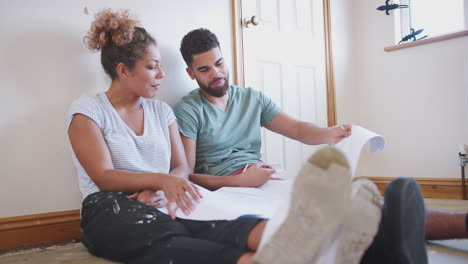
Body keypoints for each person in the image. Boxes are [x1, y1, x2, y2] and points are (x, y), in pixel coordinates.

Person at [66, 9, 393, 264]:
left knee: (214, 224)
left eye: (161, 66)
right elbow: (104, 176)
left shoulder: (161, 112)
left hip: (164, 197)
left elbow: (179, 168)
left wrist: (165, 185)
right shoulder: (89, 112)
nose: (161, 75)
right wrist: (161, 183)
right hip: (111, 205)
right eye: (153, 67)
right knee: (170, 236)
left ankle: (331, 238)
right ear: (123, 70)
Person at [172, 28, 466, 261]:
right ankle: (389, 248)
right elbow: (188, 176)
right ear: (191, 73)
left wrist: (330, 133)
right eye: (205, 69)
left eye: (219, 63)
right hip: (227, 190)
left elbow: (299, 129)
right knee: (319, 222)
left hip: (265, 180)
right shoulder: (189, 110)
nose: (216, 73)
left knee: (357, 206)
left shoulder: (251, 98)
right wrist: (237, 183)